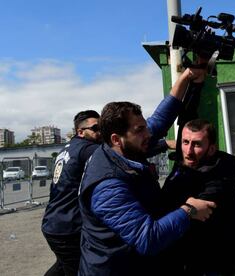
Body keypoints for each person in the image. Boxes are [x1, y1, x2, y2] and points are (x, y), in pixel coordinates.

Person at [78, 67, 216, 276]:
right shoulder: (107, 187)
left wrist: (186, 77)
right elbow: (147, 239)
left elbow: (160, 119)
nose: (148, 134)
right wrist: (189, 211)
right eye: (140, 130)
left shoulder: (123, 148)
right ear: (116, 138)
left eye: (144, 127)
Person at [161, 119, 235, 275]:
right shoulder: (186, 166)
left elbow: (186, 212)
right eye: (185, 142)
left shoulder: (219, 180)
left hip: (211, 264)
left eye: (196, 144)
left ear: (211, 149)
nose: (188, 151)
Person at [41, 110, 101, 276]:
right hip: (67, 226)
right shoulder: (88, 149)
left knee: (62, 265)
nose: (100, 131)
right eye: (96, 128)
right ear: (80, 132)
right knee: (77, 269)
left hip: (54, 222)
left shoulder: (67, 148)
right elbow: (118, 154)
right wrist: (160, 144)